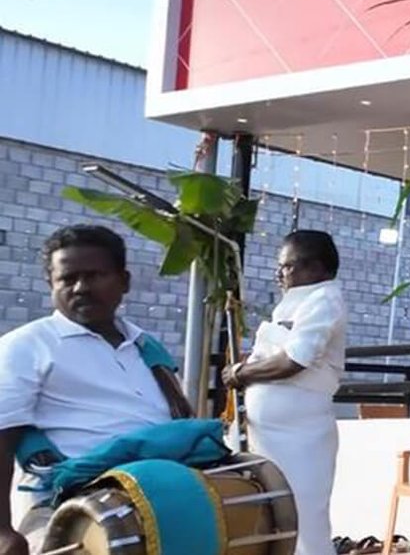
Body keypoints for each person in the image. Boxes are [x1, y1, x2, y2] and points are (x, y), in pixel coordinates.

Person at [1, 226, 192, 555]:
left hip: (160, 501)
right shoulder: (25, 346)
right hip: (72, 513)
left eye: (95, 276)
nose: (81, 288)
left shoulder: (145, 346)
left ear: (124, 281)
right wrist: (2, 531)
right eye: (67, 278)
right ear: (51, 284)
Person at [223, 230, 349, 555]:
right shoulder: (294, 303)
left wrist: (241, 373)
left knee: (305, 518)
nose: (280, 274)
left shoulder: (324, 298)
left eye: (287, 266)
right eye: (279, 267)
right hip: (269, 435)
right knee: (275, 516)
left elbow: (296, 359)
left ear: (317, 267)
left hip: (302, 434)